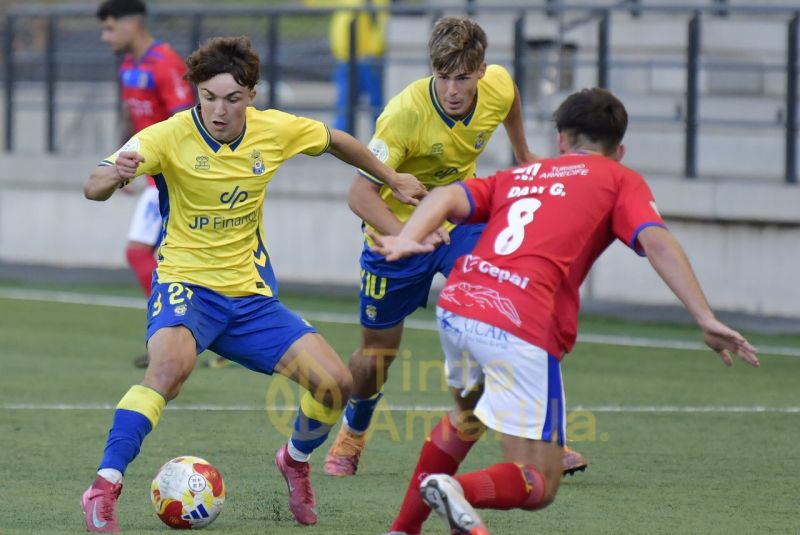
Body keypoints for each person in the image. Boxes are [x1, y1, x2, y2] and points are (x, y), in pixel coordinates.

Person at [370, 87, 761, 534]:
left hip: (459, 303)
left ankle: (402, 529)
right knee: (539, 482)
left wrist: (406, 238)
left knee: (467, 415)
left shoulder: (523, 175)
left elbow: (444, 196)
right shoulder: (619, 179)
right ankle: (456, 490)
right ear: (620, 149)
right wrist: (704, 317)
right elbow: (655, 239)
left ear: (561, 139)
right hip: (520, 324)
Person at [79, 35, 426, 533]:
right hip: (186, 286)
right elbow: (94, 183)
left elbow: (336, 140)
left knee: (336, 384)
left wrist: (390, 178)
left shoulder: (273, 130)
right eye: (209, 97)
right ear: (196, 93)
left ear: (252, 95)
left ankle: (295, 459)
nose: (219, 110)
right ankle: (104, 486)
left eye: (232, 98)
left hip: (249, 298)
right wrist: (114, 176)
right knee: (168, 371)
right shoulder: (166, 136)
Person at [323, 17, 587, 531]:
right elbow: (359, 196)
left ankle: (537, 438)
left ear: (480, 72)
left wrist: (524, 152)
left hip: (460, 220)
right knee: (376, 356)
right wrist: (409, 237)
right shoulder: (402, 114)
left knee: (512, 310)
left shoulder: (498, 84)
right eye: (442, 76)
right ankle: (353, 433)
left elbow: (507, 102)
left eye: (462, 77)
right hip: (394, 233)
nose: (451, 89)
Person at [96, 0, 199, 369]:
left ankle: (173, 335)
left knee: (139, 252)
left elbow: (183, 120)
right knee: (164, 257)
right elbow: (132, 114)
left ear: (131, 24)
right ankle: (184, 333)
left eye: (109, 28)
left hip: (172, 179)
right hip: (151, 175)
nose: (105, 37)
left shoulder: (165, 62)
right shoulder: (129, 66)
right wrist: (123, 162)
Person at [328, 0, 389, 133]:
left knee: (376, 109)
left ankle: (380, 146)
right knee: (345, 108)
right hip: (346, 58)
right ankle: (342, 145)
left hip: (369, 58)